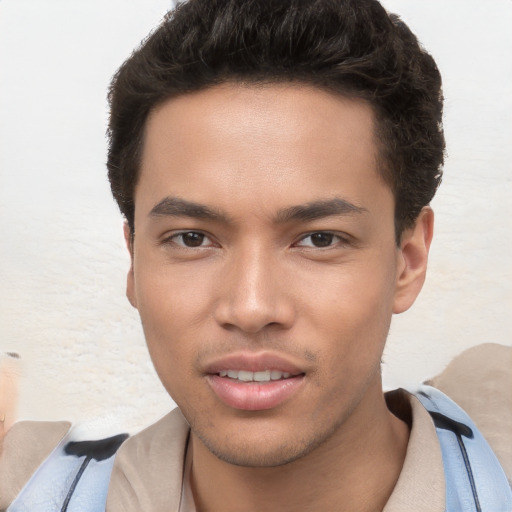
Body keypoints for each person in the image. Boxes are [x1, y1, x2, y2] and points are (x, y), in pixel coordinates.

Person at [1, 0, 511, 510]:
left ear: (408, 259)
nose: (250, 308)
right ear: (134, 259)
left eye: (319, 239)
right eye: (192, 238)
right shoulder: (28, 486)